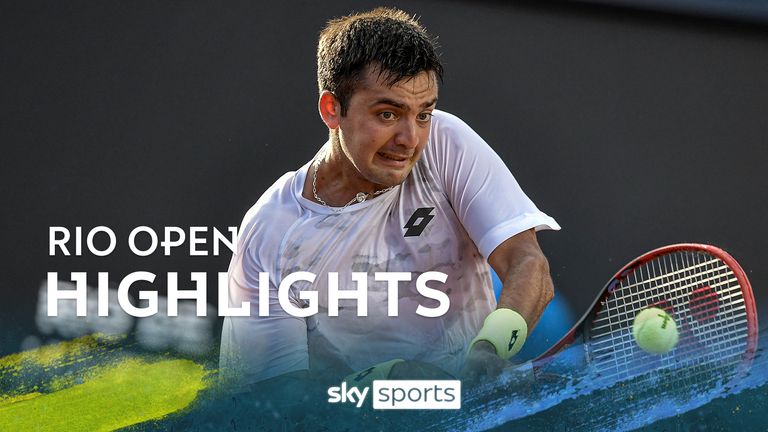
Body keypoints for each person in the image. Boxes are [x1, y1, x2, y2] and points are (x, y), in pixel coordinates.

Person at [219, 7, 560, 390]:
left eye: (423, 115)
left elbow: (529, 264)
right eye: (387, 114)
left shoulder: (446, 143)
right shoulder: (271, 231)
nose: (409, 140)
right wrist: (385, 386)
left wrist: (490, 348)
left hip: (470, 405)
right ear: (332, 110)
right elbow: (277, 403)